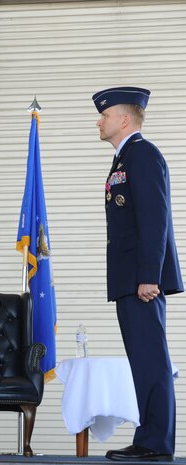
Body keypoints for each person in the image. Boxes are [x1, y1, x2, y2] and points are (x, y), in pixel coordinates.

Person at [92, 87, 183, 462]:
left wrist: (149, 275)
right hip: (130, 277)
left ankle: (155, 444)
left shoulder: (142, 154)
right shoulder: (123, 158)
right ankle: (149, 439)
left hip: (141, 280)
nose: (99, 121)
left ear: (124, 119)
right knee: (143, 361)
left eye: (105, 115)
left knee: (151, 361)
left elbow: (154, 217)